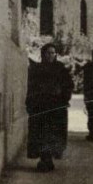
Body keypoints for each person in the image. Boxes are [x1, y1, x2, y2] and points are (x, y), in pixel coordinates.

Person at [26, 43, 74, 171]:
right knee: (42, 133)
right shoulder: (36, 69)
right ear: (43, 54)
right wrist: (30, 102)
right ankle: (44, 159)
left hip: (56, 106)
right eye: (48, 53)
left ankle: (49, 158)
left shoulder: (60, 68)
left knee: (53, 132)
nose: (51, 55)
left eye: (53, 53)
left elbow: (68, 85)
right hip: (40, 106)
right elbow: (31, 87)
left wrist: (64, 98)